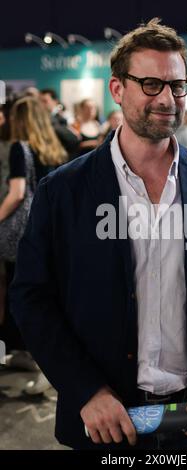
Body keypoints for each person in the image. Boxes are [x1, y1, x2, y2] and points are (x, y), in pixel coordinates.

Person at [10, 18, 187, 450]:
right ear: (117, 89)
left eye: (177, 85)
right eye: (151, 84)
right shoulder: (64, 192)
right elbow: (32, 298)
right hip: (104, 424)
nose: (167, 99)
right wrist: (85, 389)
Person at [0, 96, 67, 390]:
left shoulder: (20, 149)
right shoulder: (54, 149)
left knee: (22, 293)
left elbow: (16, 193)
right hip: (53, 230)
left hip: (23, 234)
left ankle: (27, 351)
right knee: (47, 293)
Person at [40, 89, 80, 159]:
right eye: (40, 101)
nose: (42, 105)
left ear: (55, 101)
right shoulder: (41, 119)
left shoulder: (65, 117)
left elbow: (74, 139)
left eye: (45, 101)